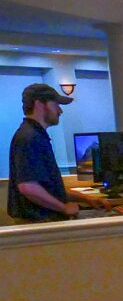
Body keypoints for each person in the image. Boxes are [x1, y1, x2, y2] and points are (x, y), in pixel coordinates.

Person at [10, 84, 108, 223]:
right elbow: (28, 187)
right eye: (56, 104)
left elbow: (49, 190)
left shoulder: (35, 135)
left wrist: (87, 199)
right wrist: (63, 208)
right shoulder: (30, 138)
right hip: (39, 224)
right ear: (39, 104)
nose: (60, 110)